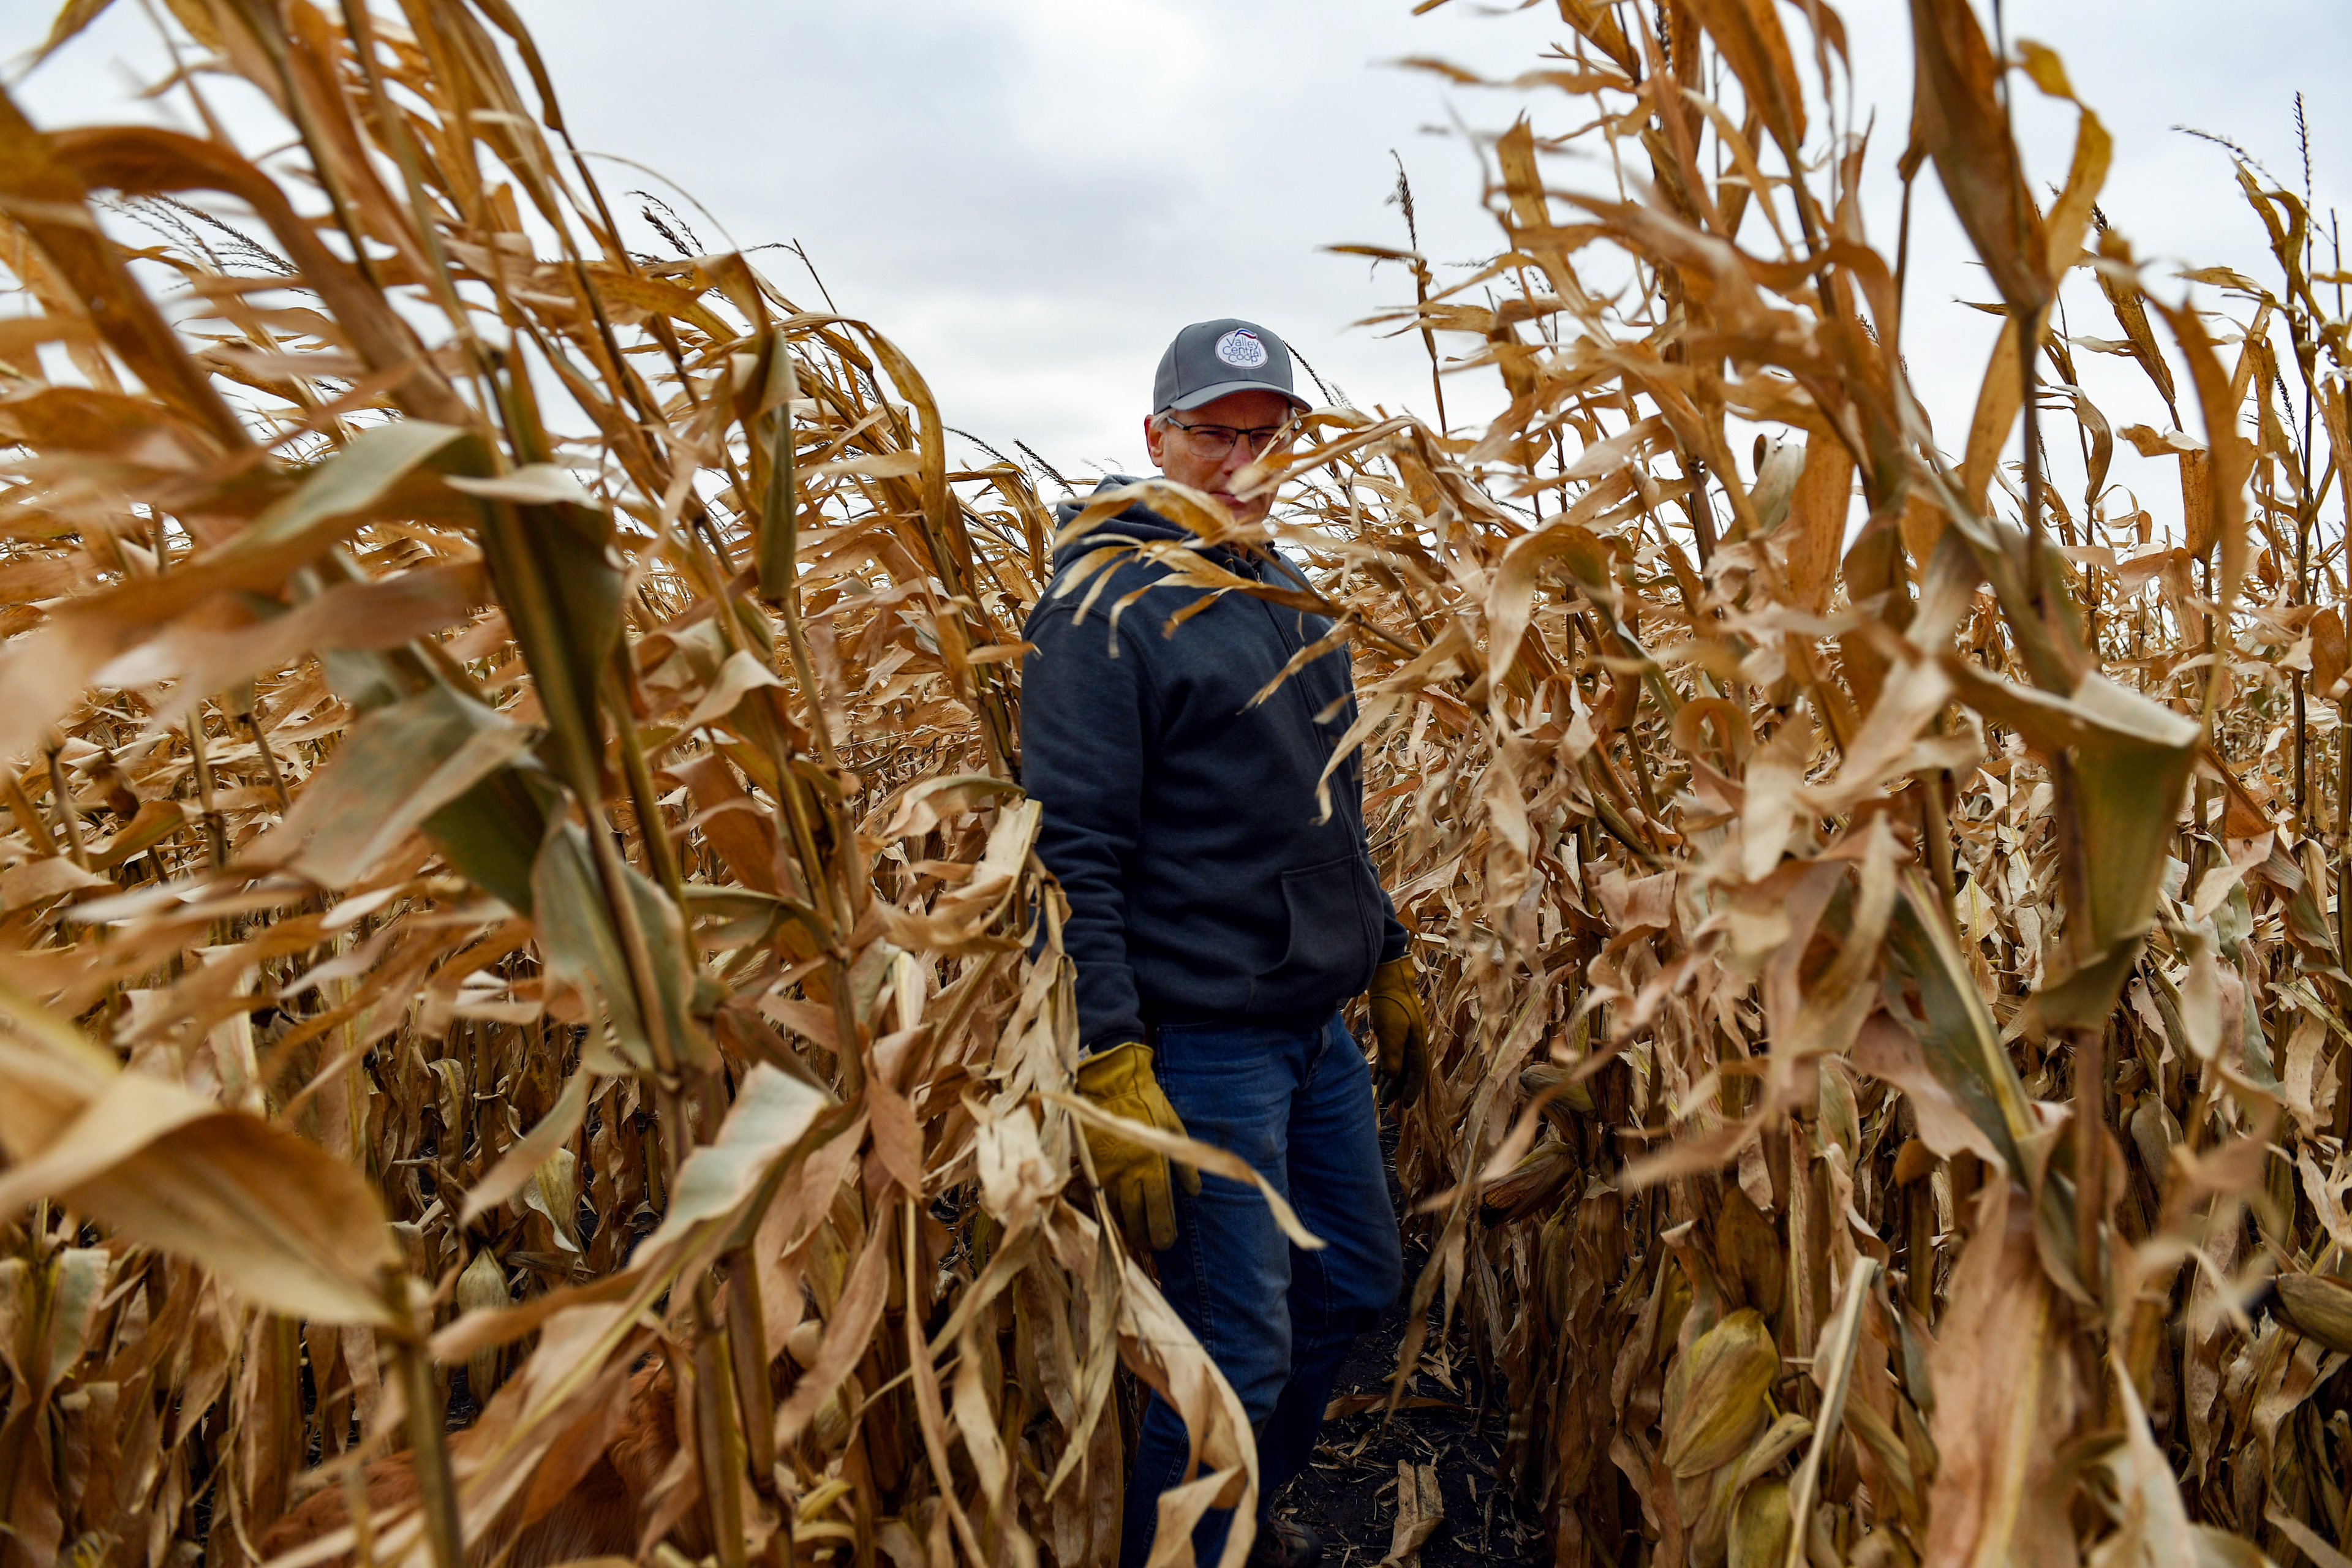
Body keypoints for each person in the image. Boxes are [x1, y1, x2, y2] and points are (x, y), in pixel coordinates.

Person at [1019, 318, 1431, 1568]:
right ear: (1157, 438)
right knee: (1227, 1360)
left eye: (1268, 435)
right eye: (1214, 433)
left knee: (1357, 1288)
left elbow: (1332, 804)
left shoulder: (1282, 587)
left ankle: (1238, 1524)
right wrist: (1109, 1050)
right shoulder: (1105, 605)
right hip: (1202, 1047)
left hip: (1312, 1033)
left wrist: (1389, 947)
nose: (1243, 459)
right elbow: (1070, 845)